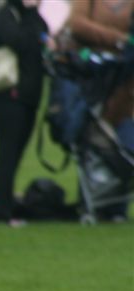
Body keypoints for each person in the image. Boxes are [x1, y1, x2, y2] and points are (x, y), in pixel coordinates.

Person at [0, 0, 51, 225]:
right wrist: (31, 13)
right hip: (8, 99)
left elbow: (43, 35)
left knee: (15, 156)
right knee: (7, 155)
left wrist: (33, 14)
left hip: (28, 98)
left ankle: (6, 205)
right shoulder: (7, 15)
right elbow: (23, 42)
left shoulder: (31, 17)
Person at [68, 0, 134, 221]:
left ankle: (118, 207)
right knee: (93, 144)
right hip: (93, 83)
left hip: (126, 86)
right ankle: (91, 204)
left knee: (125, 145)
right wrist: (118, 39)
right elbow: (76, 24)